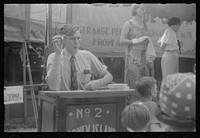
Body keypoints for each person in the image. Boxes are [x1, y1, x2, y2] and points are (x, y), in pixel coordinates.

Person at [46, 24, 113, 91]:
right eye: (72, 39)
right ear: (63, 40)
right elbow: (53, 87)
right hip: (62, 99)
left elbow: (109, 76)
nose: (76, 42)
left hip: (84, 99)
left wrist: (98, 83)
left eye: (78, 38)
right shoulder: (54, 57)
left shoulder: (87, 56)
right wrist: (58, 54)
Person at [119, 4, 154, 89]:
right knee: (134, 80)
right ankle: (132, 100)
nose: (144, 11)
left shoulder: (145, 25)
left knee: (144, 81)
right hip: (132, 56)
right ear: (135, 9)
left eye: (145, 10)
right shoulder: (129, 23)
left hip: (143, 56)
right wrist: (135, 41)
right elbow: (121, 40)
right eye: (142, 9)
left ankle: (143, 101)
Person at [159, 17, 181, 81]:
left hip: (172, 55)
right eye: (179, 25)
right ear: (176, 24)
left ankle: (171, 90)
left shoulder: (171, 31)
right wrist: (167, 50)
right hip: (170, 55)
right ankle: (167, 90)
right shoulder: (169, 31)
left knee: (173, 75)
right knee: (168, 75)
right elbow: (164, 44)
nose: (179, 27)